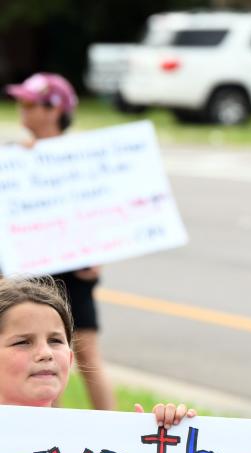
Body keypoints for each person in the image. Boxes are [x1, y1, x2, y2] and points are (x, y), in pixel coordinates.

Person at [5, 73, 116, 411]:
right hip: (23, 269)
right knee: (39, 359)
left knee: (85, 354)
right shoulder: (13, 158)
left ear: (54, 109)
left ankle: (118, 434)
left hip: (72, 268)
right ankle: (51, 429)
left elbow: (102, 212)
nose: (21, 109)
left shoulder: (80, 159)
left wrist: (96, 257)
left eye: (29, 102)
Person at [0, 275, 193, 428]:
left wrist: (161, 434)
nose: (45, 353)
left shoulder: (93, 440)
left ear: (70, 357)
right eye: (23, 342)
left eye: (55, 340)